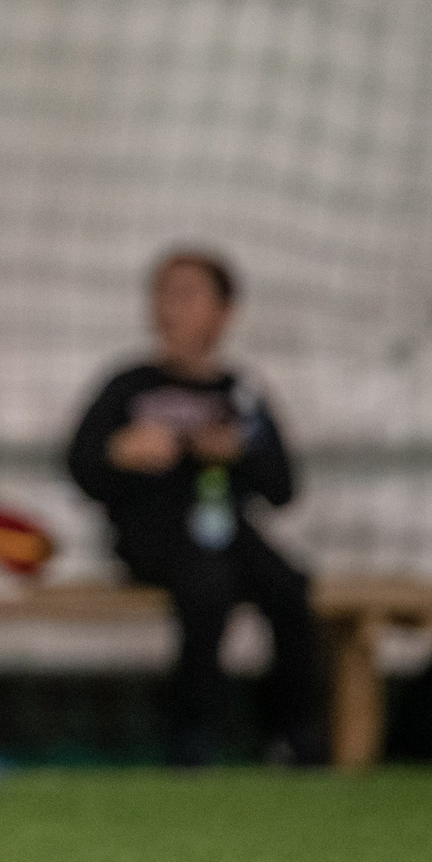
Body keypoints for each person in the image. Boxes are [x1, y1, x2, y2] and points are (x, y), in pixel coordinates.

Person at [67, 250, 322, 766]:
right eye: (161, 295)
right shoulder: (129, 386)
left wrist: (241, 455)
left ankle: (292, 734)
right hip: (150, 531)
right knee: (207, 585)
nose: (168, 308)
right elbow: (81, 466)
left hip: (226, 528)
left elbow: (284, 488)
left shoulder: (241, 393)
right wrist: (119, 452)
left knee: (290, 586)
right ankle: (190, 733)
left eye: (185, 296)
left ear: (224, 313)